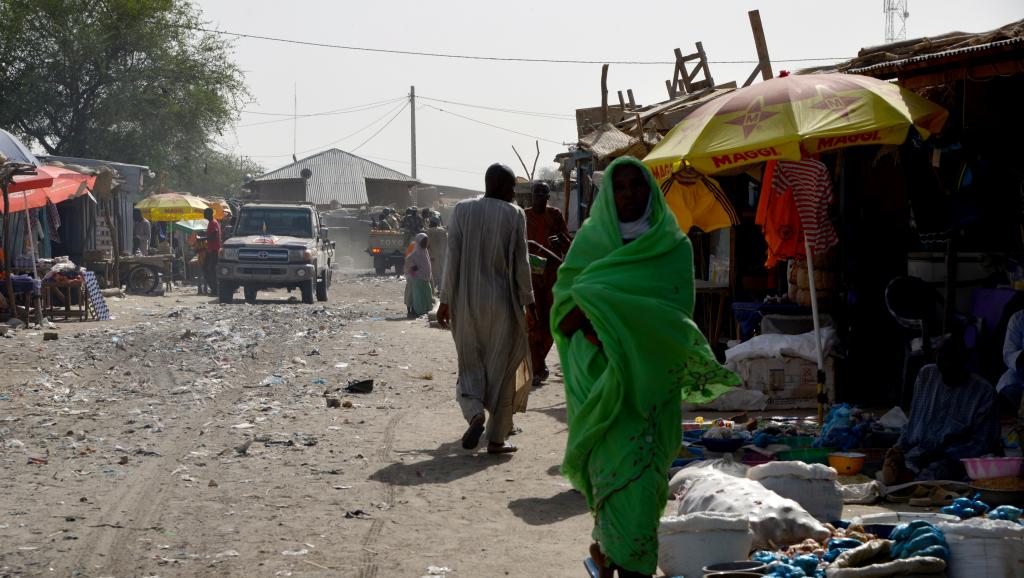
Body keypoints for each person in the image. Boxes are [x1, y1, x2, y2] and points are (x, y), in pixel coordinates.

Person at [551, 157, 738, 578]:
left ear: (650, 191)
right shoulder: (591, 246)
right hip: (606, 389)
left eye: (638, 185)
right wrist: (603, 314)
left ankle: (617, 558)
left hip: (651, 392)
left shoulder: (672, 248)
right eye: (621, 187)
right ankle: (620, 559)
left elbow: (675, 320)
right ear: (609, 195)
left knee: (645, 488)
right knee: (615, 481)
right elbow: (564, 319)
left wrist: (619, 317)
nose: (630, 194)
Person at [437, 163, 533, 455]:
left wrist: (444, 300)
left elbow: (451, 258)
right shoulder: (515, 214)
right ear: (504, 188)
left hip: (466, 303)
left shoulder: (462, 211)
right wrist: (528, 302)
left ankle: (474, 411)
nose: (515, 194)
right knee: (504, 368)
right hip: (503, 304)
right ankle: (496, 439)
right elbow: (521, 263)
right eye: (513, 188)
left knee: (470, 362)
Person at [886, 331, 1001, 483]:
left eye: (954, 359)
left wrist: (943, 454)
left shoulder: (983, 393)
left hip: (955, 460)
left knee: (930, 476)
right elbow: (913, 422)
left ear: (965, 359)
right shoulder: (926, 376)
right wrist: (897, 449)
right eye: (943, 357)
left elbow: (983, 443)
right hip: (918, 453)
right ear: (936, 356)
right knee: (886, 469)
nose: (947, 364)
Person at [525, 181, 572, 387]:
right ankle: (536, 368)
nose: (541, 197)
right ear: (531, 196)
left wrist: (559, 242)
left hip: (552, 275)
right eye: (537, 193)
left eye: (544, 194)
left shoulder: (555, 215)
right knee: (533, 322)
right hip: (530, 277)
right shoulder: (523, 216)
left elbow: (568, 243)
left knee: (552, 322)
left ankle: (538, 365)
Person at [997, 309, 1024, 413]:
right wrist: (1021, 355)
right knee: (1006, 396)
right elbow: (1009, 354)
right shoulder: (1018, 318)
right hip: (1018, 379)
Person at [404, 233, 433, 317]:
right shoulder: (415, 254)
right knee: (417, 296)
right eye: (423, 241)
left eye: (426, 241)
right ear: (419, 242)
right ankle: (417, 311)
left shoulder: (425, 252)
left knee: (427, 294)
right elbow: (410, 263)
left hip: (425, 278)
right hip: (417, 278)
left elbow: (428, 265)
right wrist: (416, 271)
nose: (425, 243)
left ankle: (425, 310)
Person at [203, 208, 221, 294]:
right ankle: (214, 289)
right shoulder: (211, 222)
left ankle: (215, 289)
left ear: (209, 214)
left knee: (210, 270)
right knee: (208, 269)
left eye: (205, 213)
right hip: (211, 249)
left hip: (214, 250)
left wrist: (204, 238)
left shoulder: (213, 223)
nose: (204, 215)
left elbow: (214, 236)